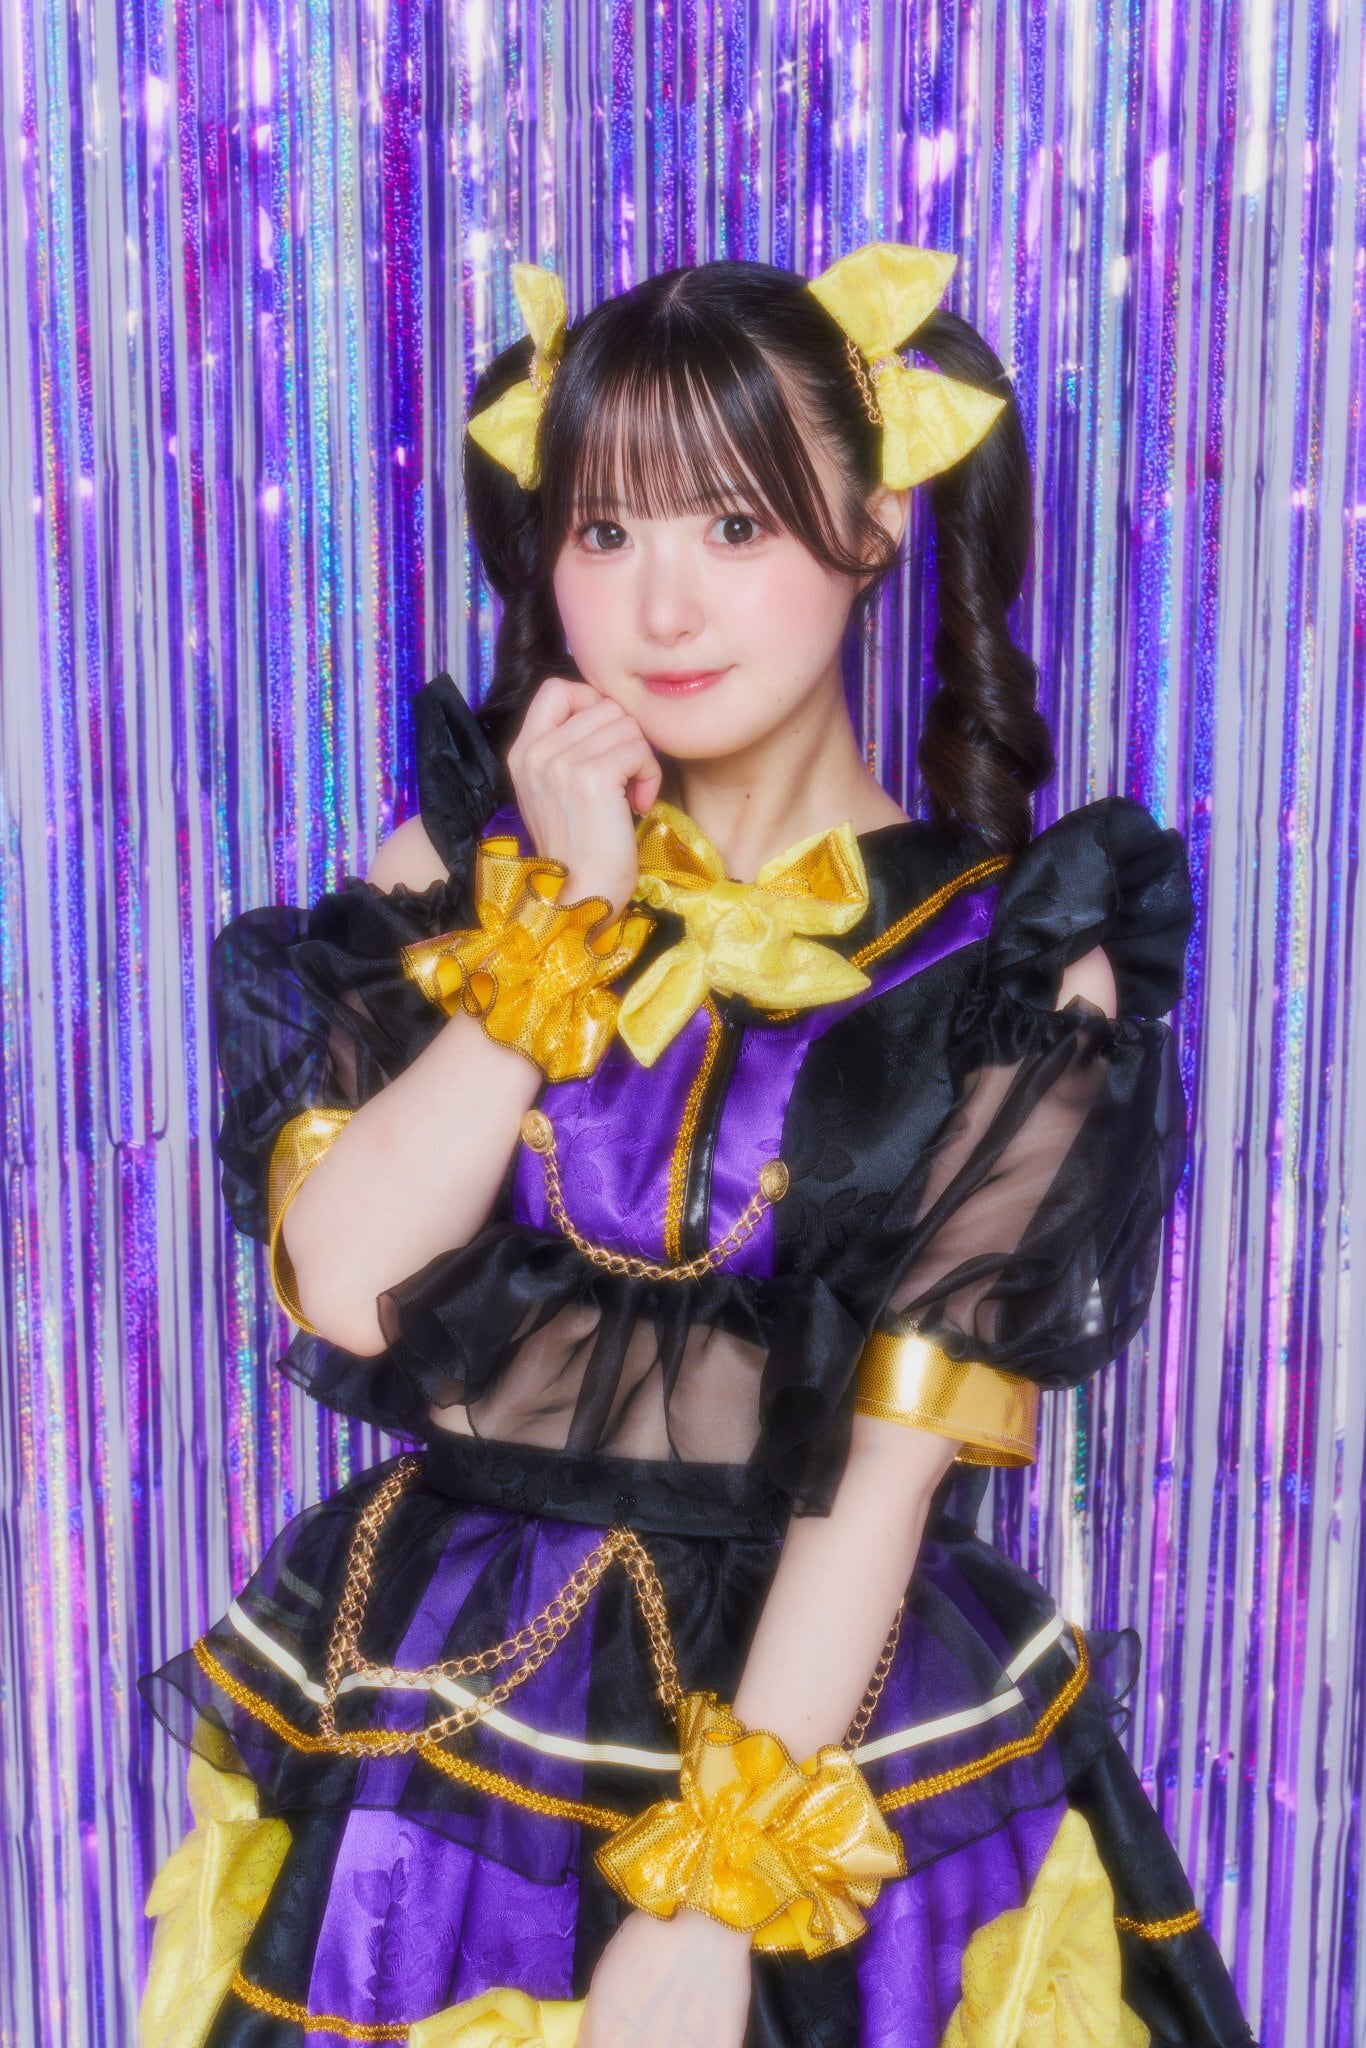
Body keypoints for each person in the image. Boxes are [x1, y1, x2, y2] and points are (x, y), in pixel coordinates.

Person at [137, 246, 1258, 2048]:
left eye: (732, 527)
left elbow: (887, 1470)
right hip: (449, 1687)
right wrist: (559, 928)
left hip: (833, 1707)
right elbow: (341, 1285)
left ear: (875, 524)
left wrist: (717, 1894)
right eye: (603, 532)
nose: (661, 608)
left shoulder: (1022, 965)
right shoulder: (460, 876)